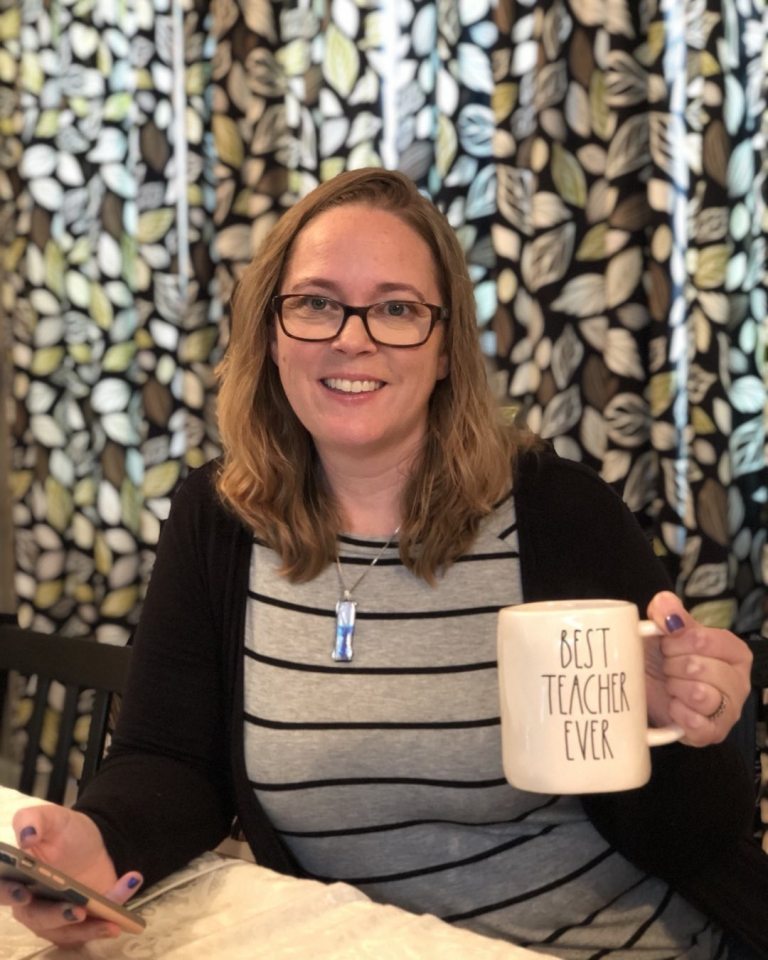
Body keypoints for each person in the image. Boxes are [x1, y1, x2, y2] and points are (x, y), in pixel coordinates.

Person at [0, 168, 763, 957]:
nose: (351, 336)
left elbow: (699, 833)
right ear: (271, 332)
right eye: (317, 303)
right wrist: (99, 842)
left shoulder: (559, 513)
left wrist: (689, 726)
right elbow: (172, 759)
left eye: (396, 308)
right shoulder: (218, 520)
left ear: (443, 350)